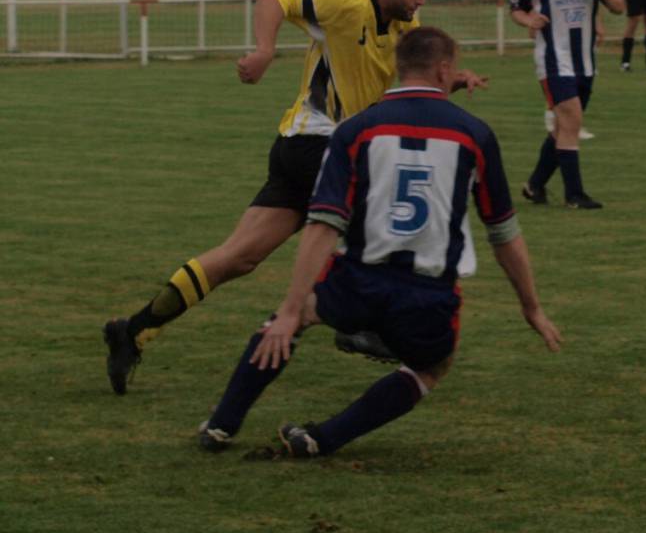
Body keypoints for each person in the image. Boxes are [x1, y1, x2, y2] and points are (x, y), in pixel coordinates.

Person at [103, 0, 487, 395]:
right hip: (317, 144)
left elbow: (407, 85)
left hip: (305, 149)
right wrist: (264, 50)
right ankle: (364, 325)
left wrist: (453, 80)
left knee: (237, 257)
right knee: (384, 218)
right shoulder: (346, 3)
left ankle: (133, 331)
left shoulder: (405, 27)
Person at [196, 26, 562, 458]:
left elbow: (323, 224)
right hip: (428, 292)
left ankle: (221, 423)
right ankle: (323, 439)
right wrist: (531, 307)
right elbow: (503, 234)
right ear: (444, 70)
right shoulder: (474, 134)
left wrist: (291, 310)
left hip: (357, 280)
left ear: (399, 67)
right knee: (432, 367)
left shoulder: (356, 130)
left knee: (294, 319)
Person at [511, 0, 625, 210]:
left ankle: (535, 185)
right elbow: (516, 8)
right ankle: (574, 194)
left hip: (585, 62)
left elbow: (619, 6)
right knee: (572, 120)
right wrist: (529, 20)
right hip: (552, 60)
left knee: (565, 126)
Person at [529, 0, 598, 141]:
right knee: (558, 76)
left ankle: (566, 127)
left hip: (579, 31)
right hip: (552, 27)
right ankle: (556, 121)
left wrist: (597, 21)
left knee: (577, 85)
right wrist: (531, 18)